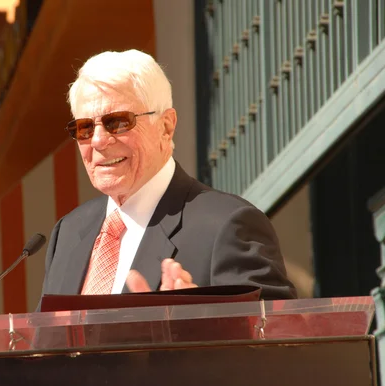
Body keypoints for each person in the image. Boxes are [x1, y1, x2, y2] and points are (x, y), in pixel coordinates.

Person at [40, 49, 297, 301]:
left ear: (166, 126)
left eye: (117, 122)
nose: (98, 141)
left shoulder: (228, 226)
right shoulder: (70, 231)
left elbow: (278, 336)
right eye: (84, 127)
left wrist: (193, 327)